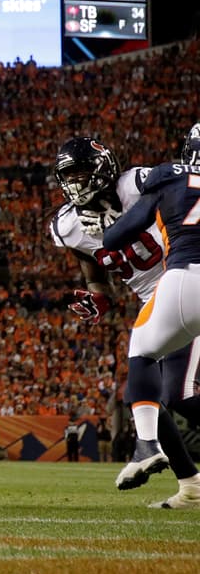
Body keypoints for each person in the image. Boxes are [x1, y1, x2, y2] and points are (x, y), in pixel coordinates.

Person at [52, 135, 200, 504]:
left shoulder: (137, 183)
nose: (76, 181)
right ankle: (191, 485)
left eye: (83, 171)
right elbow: (93, 272)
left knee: (168, 393)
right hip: (158, 300)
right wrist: (97, 297)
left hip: (180, 280)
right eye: (69, 175)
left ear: (103, 166)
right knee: (149, 395)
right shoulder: (67, 225)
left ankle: (160, 460)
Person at [98, 122, 200, 508]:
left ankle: (145, 446)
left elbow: (114, 237)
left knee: (142, 349)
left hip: (188, 277)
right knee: (177, 392)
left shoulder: (171, 179)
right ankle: (189, 484)